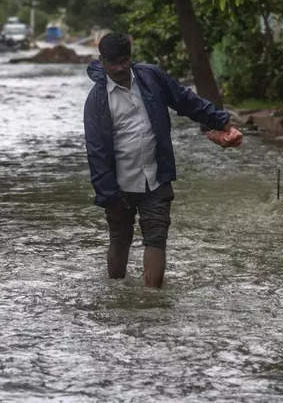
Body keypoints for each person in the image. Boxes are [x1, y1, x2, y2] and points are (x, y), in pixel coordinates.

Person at [83, 32, 241, 288]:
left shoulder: (150, 77)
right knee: (120, 239)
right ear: (102, 61)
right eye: (114, 63)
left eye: (125, 61)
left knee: (156, 237)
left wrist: (221, 122)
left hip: (156, 177)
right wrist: (107, 196)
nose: (121, 68)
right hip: (118, 186)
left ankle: (152, 300)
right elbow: (96, 153)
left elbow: (186, 100)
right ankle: (115, 293)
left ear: (130, 57)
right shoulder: (97, 101)